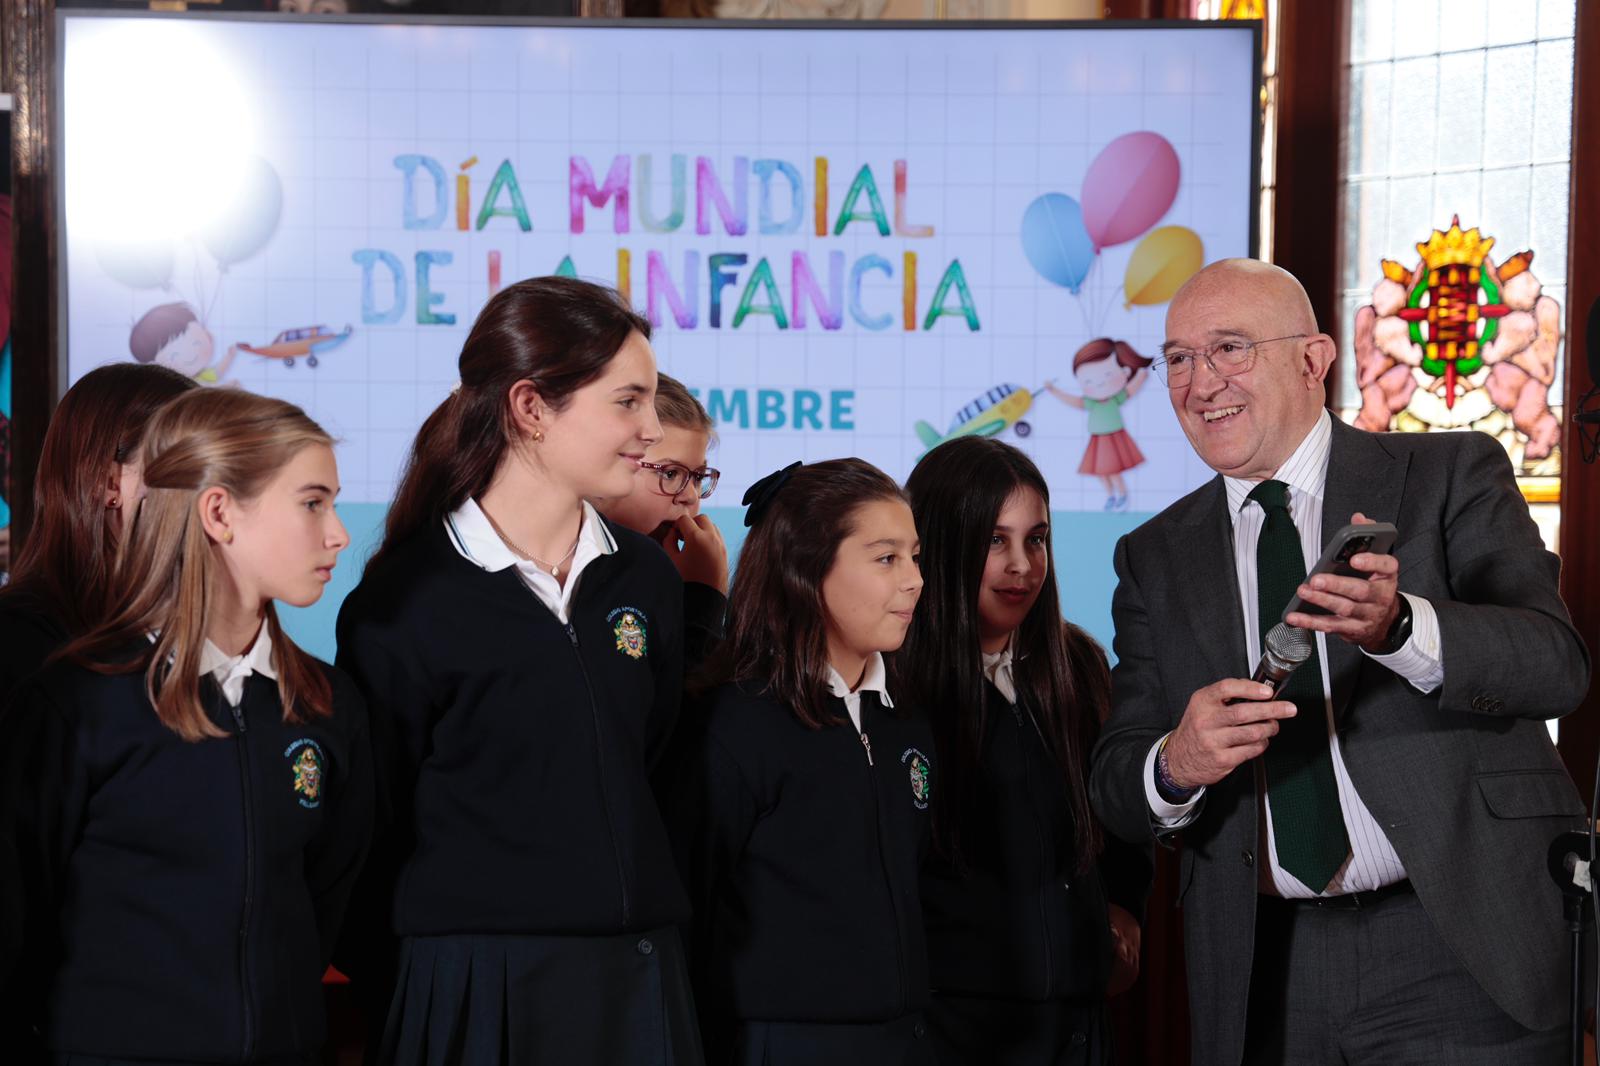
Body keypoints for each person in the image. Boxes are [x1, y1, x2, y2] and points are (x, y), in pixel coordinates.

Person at [1088, 258, 1590, 1065]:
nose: (1201, 382)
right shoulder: (1152, 555)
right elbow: (1119, 775)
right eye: (1179, 358)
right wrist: (1175, 765)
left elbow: (1554, 665)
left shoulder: (1450, 473)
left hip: (1460, 938)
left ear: (1313, 360)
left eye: (1230, 349)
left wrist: (1400, 628)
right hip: (1268, 965)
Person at [334, 276, 701, 1065]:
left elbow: (653, 762)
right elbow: (371, 832)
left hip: (637, 974)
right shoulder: (404, 601)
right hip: (474, 987)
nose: (651, 428)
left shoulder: (644, 579)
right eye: (628, 401)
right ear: (531, 406)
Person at [0, 388, 372, 1064]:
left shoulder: (327, 705)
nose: (338, 533)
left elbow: (323, 903)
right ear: (219, 512)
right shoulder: (75, 703)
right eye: (312, 503)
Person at [665, 459, 931, 1066]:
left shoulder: (907, 721)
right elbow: (688, 912)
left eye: (915, 557)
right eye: (887, 558)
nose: (915, 580)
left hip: (904, 1040)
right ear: (806, 569)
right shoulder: (734, 724)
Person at [899, 437, 1150, 1065]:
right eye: (994, 540)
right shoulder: (892, 681)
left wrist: (1124, 906)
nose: (1023, 566)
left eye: (1036, 539)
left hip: (1077, 1024)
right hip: (948, 1029)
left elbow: (1117, 806)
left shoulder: (1077, 665)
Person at [0, 363, 195, 704]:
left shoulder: (192, 625)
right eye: (186, 466)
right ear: (110, 483)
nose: (213, 493)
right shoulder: (19, 639)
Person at [594, 372, 728, 669]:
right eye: (670, 474)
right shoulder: (576, 579)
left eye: (698, 477)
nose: (690, 496)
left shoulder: (659, 576)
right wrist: (704, 599)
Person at [1043, 338, 1153, 511]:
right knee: (1101, 471)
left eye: (1108, 375)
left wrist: (1140, 376)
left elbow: (1131, 390)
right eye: (1088, 380)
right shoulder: (1091, 402)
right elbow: (1073, 401)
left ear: (1124, 372)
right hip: (1098, 440)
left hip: (1114, 438)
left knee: (1113, 470)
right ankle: (1110, 495)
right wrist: (1054, 391)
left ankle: (1122, 494)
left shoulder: (1115, 398)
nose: (1099, 383)